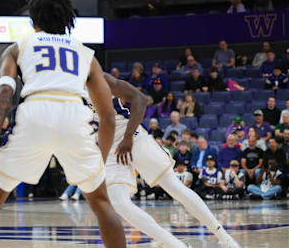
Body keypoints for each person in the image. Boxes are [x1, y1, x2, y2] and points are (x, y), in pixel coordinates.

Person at [0, 0, 127, 248]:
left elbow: (5, 92)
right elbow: (107, 115)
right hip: (74, 115)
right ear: (66, 22)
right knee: (102, 204)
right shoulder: (87, 54)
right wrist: (101, 159)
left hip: (35, 112)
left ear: (34, 22)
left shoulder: (19, 46)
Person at [99, 74, 238, 248]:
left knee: (173, 186)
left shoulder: (99, 77)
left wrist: (128, 137)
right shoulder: (62, 98)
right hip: (108, 148)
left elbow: (140, 99)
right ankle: (176, 245)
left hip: (130, 135)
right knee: (118, 202)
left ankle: (224, 238)